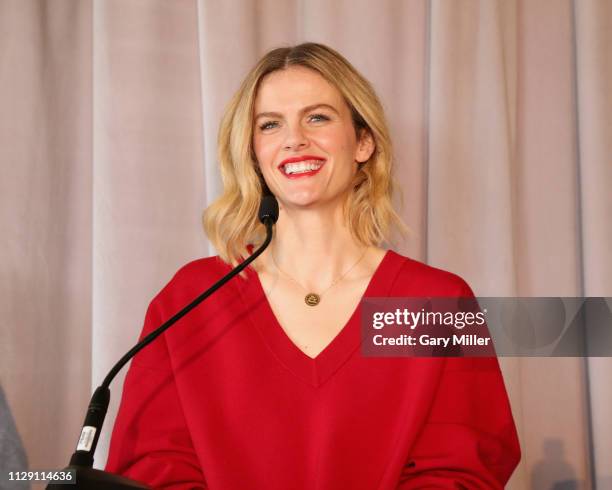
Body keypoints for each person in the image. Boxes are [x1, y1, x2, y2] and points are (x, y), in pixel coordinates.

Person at [105, 42, 520, 489]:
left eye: (317, 117)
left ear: (363, 141)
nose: (294, 138)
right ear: (253, 154)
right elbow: (153, 468)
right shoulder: (188, 297)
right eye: (270, 124)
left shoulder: (437, 302)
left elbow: (461, 472)